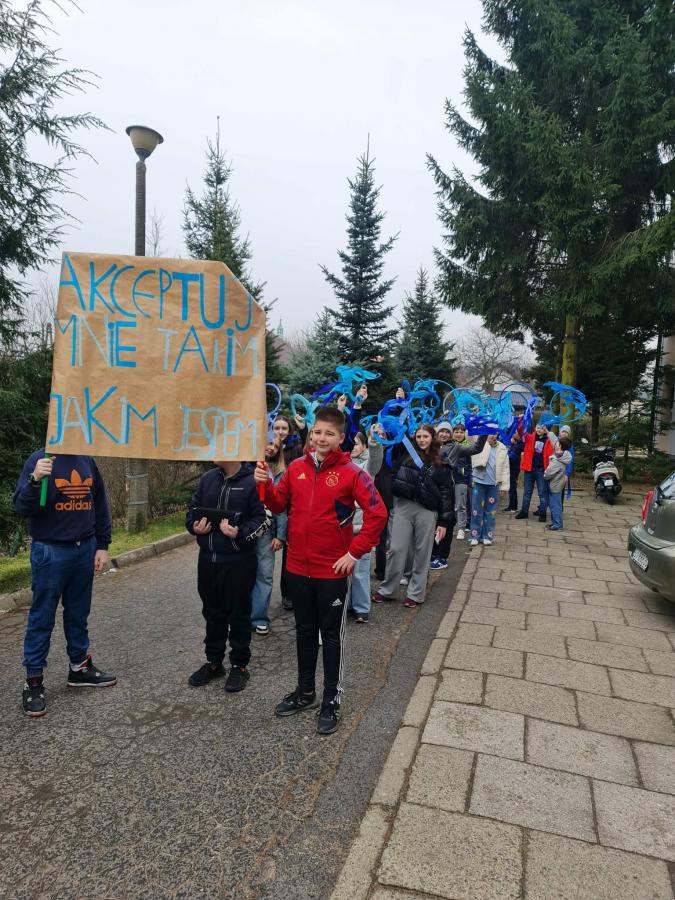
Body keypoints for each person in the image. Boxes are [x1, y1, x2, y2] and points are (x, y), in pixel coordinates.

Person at [254, 407, 387, 735]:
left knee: (330, 637)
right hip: (298, 568)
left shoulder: (352, 473)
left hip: (332, 573)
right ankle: (305, 693)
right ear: (310, 434)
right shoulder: (296, 467)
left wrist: (354, 553)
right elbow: (278, 504)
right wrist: (264, 486)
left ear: (341, 438)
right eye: (317, 432)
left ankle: (331, 699)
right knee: (303, 631)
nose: (321, 438)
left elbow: (377, 513)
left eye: (329, 433)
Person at [13, 451, 116, 718]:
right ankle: (33, 681)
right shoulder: (39, 460)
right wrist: (35, 479)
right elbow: (23, 508)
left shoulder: (87, 460)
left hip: (85, 548)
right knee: (42, 617)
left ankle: (79, 668)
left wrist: (102, 545)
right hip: (50, 550)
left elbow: (100, 503)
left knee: (78, 613)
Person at [186, 460, 266, 694]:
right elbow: (192, 510)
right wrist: (194, 526)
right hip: (208, 560)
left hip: (238, 562)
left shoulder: (252, 481)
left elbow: (261, 519)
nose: (214, 451)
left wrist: (239, 533)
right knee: (212, 613)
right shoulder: (207, 478)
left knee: (239, 614)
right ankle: (214, 662)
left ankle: (240, 665)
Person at [373, 425, 454, 608]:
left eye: (425, 436)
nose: (422, 440)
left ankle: (416, 593)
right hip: (403, 506)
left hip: (427, 510)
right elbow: (397, 433)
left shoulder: (442, 461)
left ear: (432, 438)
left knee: (422, 552)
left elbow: (446, 493)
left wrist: (444, 522)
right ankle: (388, 589)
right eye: (418, 436)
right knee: (396, 548)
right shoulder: (405, 454)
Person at [250, 439, 287, 635]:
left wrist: (280, 536)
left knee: (264, 574)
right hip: (246, 527)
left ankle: (259, 618)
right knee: (243, 573)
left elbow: (282, 506)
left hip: (267, 530)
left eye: (275, 445)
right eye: (268, 442)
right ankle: (240, 616)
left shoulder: (281, 472)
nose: (271, 448)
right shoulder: (246, 466)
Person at [347, 427, 384, 623]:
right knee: (341, 571)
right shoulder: (339, 465)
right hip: (340, 528)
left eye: (357, 443)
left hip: (361, 529)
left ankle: (361, 608)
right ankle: (345, 605)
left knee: (360, 570)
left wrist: (374, 441)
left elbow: (376, 459)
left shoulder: (366, 467)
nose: (353, 447)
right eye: (351, 443)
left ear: (363, 446)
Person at [468, 434, 509, 547]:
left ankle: (487, 536)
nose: (493, 436)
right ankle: (475, 536)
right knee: (476, 511)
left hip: (493, 484)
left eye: (495, 433)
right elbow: (469, 436)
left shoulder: (502, 448)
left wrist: (504, 487)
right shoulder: (479, 444)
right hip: (479, 482)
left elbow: (506, 469)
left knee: (490, 512)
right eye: (490, 433)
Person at [444, 422, 476, 541]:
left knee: (461, 505)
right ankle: (450, 527)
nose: (458, 434)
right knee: (449, 505)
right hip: (448, 479)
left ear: (464, 434)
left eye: (461, 432)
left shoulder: (467, 447)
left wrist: (468, 479)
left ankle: (461, 528)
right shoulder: (448, 446)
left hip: (461, 480)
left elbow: (470, 465)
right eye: (456, 432)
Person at [430, 421, 455, 569]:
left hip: (447, 491)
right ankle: (433, 554)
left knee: (446, 523)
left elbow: (475, 448)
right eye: (441, 431)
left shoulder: (455, 447)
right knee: (434, 525)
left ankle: (442, 557)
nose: (444, 434)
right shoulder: (429, 448)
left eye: (447, 432)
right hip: (433, 493)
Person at [515, 423, 553, 521]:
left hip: (542, 470)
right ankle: (524, 511)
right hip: (529, 469)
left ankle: (543, 513)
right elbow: (521, 432)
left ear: (546, 429)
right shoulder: (530, 437)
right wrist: (521, 421)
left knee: (542, 493)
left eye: (542, 428)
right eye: (538, 427)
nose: (539, 429)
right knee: (527, 492)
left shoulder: (549, 441)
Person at [544, 432, 573, 531]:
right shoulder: (564, 455)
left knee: (555, 506)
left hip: (555, 485)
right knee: (556, 505)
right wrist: (548, 432)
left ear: (560, 446)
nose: (556, 444)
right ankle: (556, 523)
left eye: (558, 443)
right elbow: (554, 440)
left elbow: (548, 473)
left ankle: (557, 525)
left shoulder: (557, 461)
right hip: (558, 484)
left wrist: (545, 474)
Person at [505, 431, 524, 511]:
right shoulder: (515, 446)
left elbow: (511, 458)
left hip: (513, 469)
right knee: (512, 487)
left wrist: (506, 454)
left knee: (512, 488)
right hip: (513, 468)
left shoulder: (516, 447)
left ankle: (513, 506)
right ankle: (512, 505)